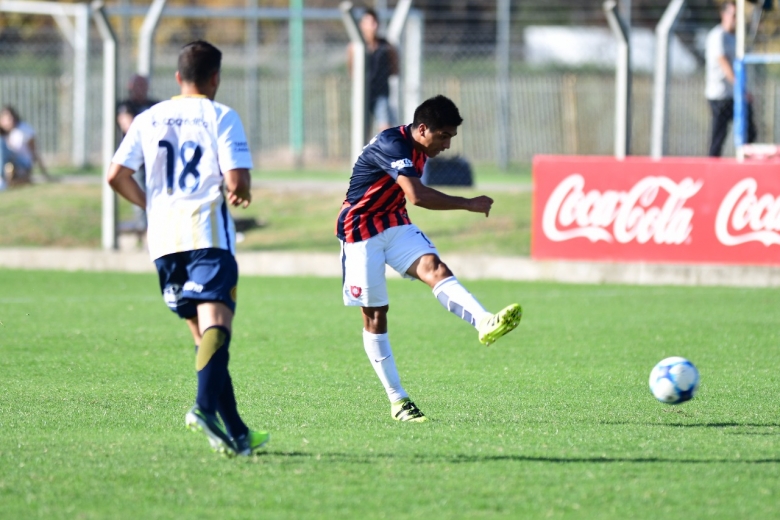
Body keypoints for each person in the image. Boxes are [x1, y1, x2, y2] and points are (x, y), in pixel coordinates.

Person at [107, 40, 268, 457]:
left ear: (178, 77)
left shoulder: (148, 117)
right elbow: (236, 181)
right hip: (206, 236)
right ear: (215, 78)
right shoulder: (221, 115)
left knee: (205, 341)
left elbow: (116, 175)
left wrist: (151, 204)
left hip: (163, 242)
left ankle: (237, 433)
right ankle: (201, 408)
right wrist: (242, 191)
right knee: (217, 329)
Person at [335, 95, 522, 422]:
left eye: (451, 137)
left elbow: (407, 198)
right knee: (376, 315)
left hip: (393, 222)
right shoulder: (393, 144)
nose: (448, 145)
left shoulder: (421, 147)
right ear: (422, 129)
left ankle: (484, 322)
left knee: (435, 268)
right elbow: (417, 196)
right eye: (444, 136)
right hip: (360, 230)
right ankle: (398, 401)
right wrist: (467, 203)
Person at [705, 0, 757, 157]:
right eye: (733, 15)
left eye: (737, 16)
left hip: (734, 95)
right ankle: (711, 167)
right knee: (718, 137)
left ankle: (746, 161)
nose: (735, 20)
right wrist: (740, 88)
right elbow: (724, 64)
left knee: (749, 132)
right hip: (720, 95)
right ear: (724, 14)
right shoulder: (717, 36)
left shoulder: (735, 38)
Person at [117, 75, 159, 232]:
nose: (140, 89)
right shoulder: (126, 106)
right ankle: (146, 229)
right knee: (141, 193)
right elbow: (129, 127)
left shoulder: (155, 105)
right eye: (137, 85)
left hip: (156, 158)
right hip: (138, 160)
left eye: (143, 85)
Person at [347, 7, 399, 133]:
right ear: (362, 25)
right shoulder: (355, 46)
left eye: (375, 22)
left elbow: (395, 69)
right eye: (369, 23)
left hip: (381, 93)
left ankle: (385, 153)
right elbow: (351, 70)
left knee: (385, 127)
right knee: (362, 129)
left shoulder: (386, 46)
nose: (373, 26)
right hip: (362, 94)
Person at [0, 105, 49, 185]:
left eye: (11, 118)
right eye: (6, 119)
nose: (10, 121)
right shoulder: (4, 133)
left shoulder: (23, 130)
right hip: (7, 163)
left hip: (22, 163)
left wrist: (44, 173)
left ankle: (2, 179)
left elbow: (34, 151)